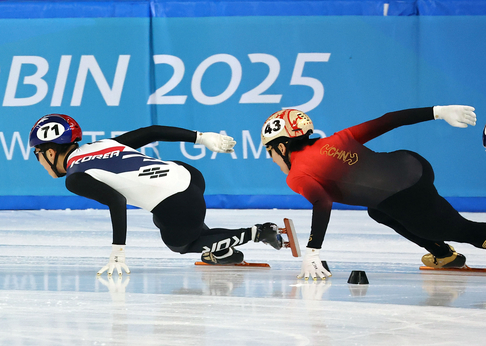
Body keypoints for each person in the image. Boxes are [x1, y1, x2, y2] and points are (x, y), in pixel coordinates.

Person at [30, 114, 284, 276]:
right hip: (189, 175)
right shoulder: (102, 144)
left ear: (50, 153)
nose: (39, 161)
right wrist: (201, 138)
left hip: (177, 199)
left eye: (37, 154)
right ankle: (221, 251)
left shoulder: (75, 176)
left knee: (180, 244)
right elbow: (152, 131)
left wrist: (118, 250)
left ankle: (259, 232)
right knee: (168, 220)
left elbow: (116, 200)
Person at [260, 106, 484, 281]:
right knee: (378, 212)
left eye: (270, 152)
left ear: (282, 148)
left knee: (461, 230)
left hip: (403, 195)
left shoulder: (297, 175)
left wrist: (312, 251)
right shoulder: (337, 139)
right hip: (412, 163)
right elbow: (388, 120)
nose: (273, 160)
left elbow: (322, 202)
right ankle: (443, 254)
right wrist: (438, 111)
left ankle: (457, 245)